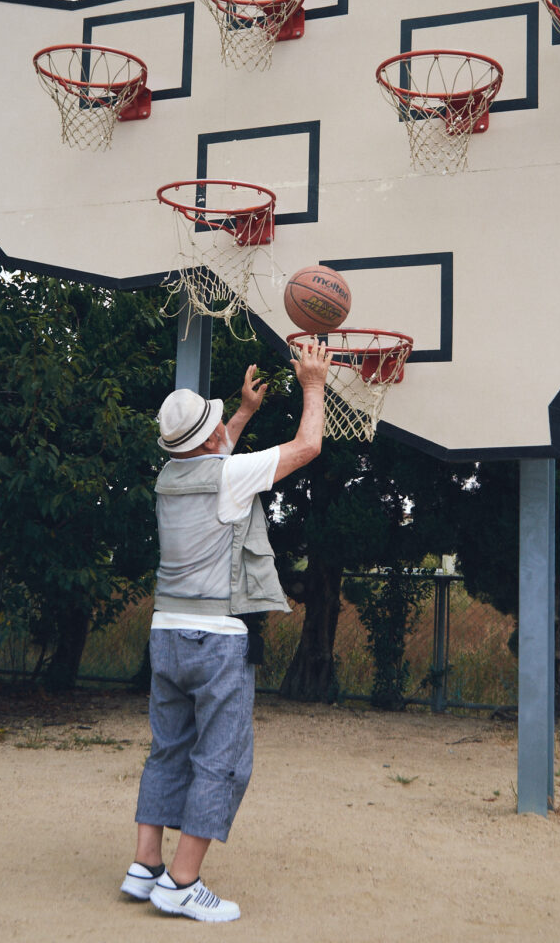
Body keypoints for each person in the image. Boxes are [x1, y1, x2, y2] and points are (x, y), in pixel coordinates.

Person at [121, 340, 330, 922]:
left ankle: (146, 867)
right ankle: (183, 882)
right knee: (222, 758)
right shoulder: (232, 476)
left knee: (169, 750)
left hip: (166, 633)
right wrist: (312, 382)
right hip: (216, 640)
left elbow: (214, 454)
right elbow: (308, 445)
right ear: (210, 439)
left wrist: (240, 413)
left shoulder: (169, 477)